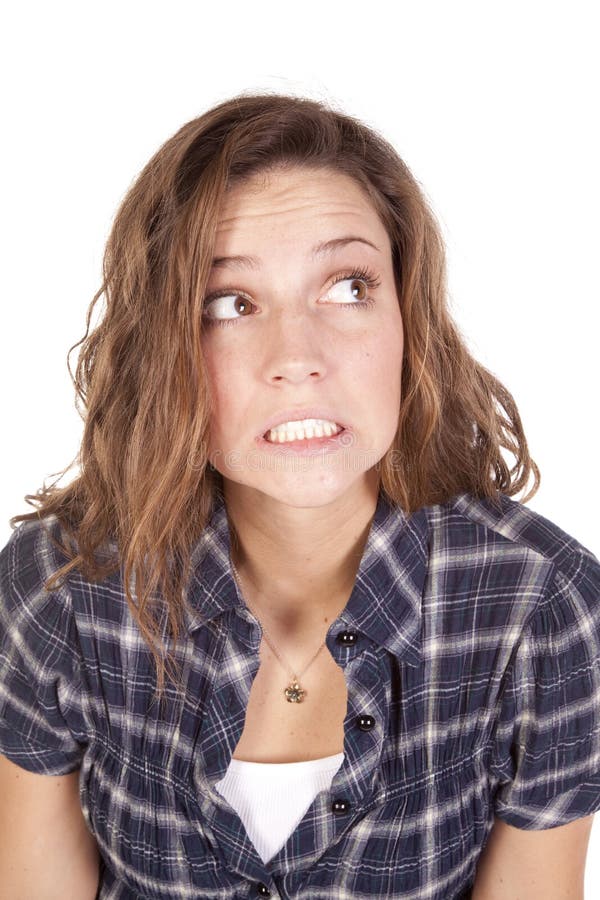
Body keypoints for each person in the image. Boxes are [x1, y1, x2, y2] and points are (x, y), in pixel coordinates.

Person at [0, 92, 599, 900]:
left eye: (347, 287)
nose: (298, 357)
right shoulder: (59, 589)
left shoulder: (541, 608)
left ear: (408, 319)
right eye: (231, 304)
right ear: (162, 346)